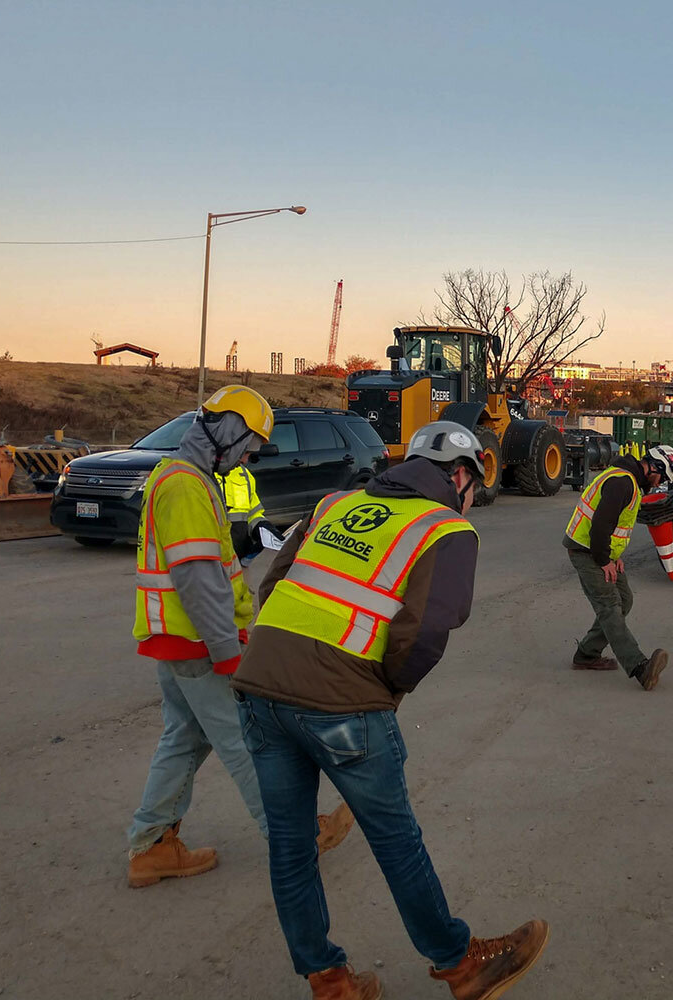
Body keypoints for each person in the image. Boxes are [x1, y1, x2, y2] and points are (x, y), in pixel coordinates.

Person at [233, 421, 549, 1000]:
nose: (472, 499)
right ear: (460, 474)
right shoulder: (446, 528)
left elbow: (271, 584)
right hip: (344, 704)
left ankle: (328, 981)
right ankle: (460, 965)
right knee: (395, 839)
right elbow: (429, 630)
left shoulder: (335, 503)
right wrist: (386, 687)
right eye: (473, 486)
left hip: (259, 689)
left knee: (290, 843)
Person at [125, 385, 350, 889]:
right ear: (227, 430)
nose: (248, 456)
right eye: (247, 444)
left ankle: (152, 845)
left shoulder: (183, 478)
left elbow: (205, 566)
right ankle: (298, 838)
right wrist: (227, 650)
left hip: (179, 641)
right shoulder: (185, 484)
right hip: (200, 644)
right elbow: (197, 577)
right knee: (249, 743)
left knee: (183, 740)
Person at [563, 444, 673, 689]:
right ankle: (640, 668)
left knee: (624, 600)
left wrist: (613, 555)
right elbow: (601, 526)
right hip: (587, 550)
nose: (659, 485)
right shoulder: (622, 483)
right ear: (654, 467)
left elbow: (613, 526)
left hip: (597, 550)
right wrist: (604, 559)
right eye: (661, 478)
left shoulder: (628, 481)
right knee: (610, 607)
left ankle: (586, 654)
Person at [216, 460, 275, 563]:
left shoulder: (244, 474)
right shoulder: (200, 474)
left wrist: (263, 528)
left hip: (240, 559)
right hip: (211, 562)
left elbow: (253, 514)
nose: (245, 460)